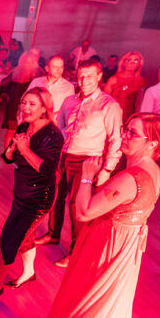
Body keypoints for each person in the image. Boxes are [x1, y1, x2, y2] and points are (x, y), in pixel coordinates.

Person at [29, 113, 160, 318]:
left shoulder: (131, 178)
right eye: (126, 129)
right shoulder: (153, 171)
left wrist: (87, 175)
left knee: (92, 304)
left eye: (133, 133)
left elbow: (84, 212)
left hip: (108, 246)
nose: (124, 136)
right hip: (122, 244)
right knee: (103, 305)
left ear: (152, 144)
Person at [0, 88, 64, 303]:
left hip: (38, 197)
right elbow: (7, 158)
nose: (25, 108)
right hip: (21, 191)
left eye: (32, 104)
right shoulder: (23, 127)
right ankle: (28, 272)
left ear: (44, 108)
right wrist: (12, 150)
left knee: (9, 238)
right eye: (23, 103)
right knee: (25, 235)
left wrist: (24, 150)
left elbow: (47, 171)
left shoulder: (53, 135)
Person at [36, 59, 122, 265]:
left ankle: (77, 251)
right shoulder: (69, 101)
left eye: (89, 76)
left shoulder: (109, 105)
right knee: (55, 197)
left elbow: (116, 139)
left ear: (99, 77)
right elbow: (60, 130)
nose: (83, 81)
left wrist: (107, 169)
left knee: (77, 206)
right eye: (80, 76)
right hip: (63, 156)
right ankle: (53, 234)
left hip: (86, 160)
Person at [2, 48, 42, 145]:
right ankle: (14, 152)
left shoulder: (16, 71)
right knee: (22, 133)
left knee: (12, 133)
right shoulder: (36, 74)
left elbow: (3, 82)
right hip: (25, 107)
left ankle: (8, 153)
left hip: (15, 106)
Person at [103, 51, 145, 116]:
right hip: (112, 114)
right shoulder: (113, 79)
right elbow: (104, 100)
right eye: (128, 60)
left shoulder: (140, 81)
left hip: (130, 116)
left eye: (136, 61)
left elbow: (140, 103)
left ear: (139, 64)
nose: (132, 63)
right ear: (123, 63)